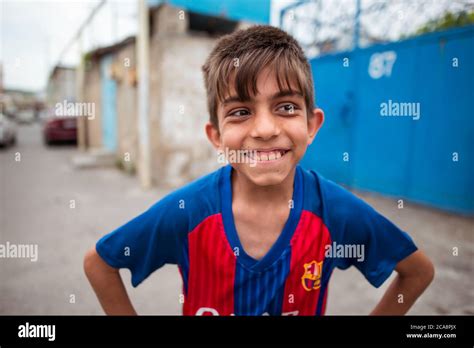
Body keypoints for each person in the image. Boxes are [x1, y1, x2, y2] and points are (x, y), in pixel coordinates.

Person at [84, 25, 434, 316]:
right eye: (240, 111)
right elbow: (100, 264)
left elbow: (417, 272)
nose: (265, 129)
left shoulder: (334, 211)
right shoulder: (189, 212)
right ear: (216, 136)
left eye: (285, 106)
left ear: (312, 125)